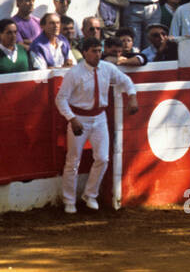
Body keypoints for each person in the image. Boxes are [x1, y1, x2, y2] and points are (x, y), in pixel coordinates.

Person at [55, 37, 139, 214]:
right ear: (84, 52)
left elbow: (126, 81)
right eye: (94, 51)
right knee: (73, 160)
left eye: (99, 51)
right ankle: (69, 200)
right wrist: (72, 118)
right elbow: (60, 99)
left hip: (99, 118)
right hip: (80, 117)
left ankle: (90, 195)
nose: (97, 54)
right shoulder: (74, 73)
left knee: (103, 158)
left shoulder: (107, 68)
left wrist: (132, 97)